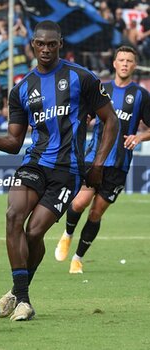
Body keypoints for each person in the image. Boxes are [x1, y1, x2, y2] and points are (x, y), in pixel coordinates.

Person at [0, 20, 118, 321]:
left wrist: (97, 165)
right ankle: (23, 300)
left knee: (34, 233)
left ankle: (17, 292)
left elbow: (111, 120)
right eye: (40, 44)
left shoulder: (81, 78)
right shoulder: (21, 90)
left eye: (51, 44)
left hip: (68, 170)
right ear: (32, 45)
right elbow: (13, 143)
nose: (45, 49)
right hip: (35, 164)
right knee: (12, 216)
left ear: (60, 44)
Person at [55, 46, 150, 274]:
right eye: (121, 60)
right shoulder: (102, 89)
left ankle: (77, 258)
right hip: (94, 158)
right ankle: (67, 235)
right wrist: (86, 119)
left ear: (134, 66)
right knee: (78, 203)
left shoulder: (141, 95)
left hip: (119, 164)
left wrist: (140, 136)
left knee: (96, 213)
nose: (125, 63)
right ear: (114, 64)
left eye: (129, 60)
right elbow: (85, 114)